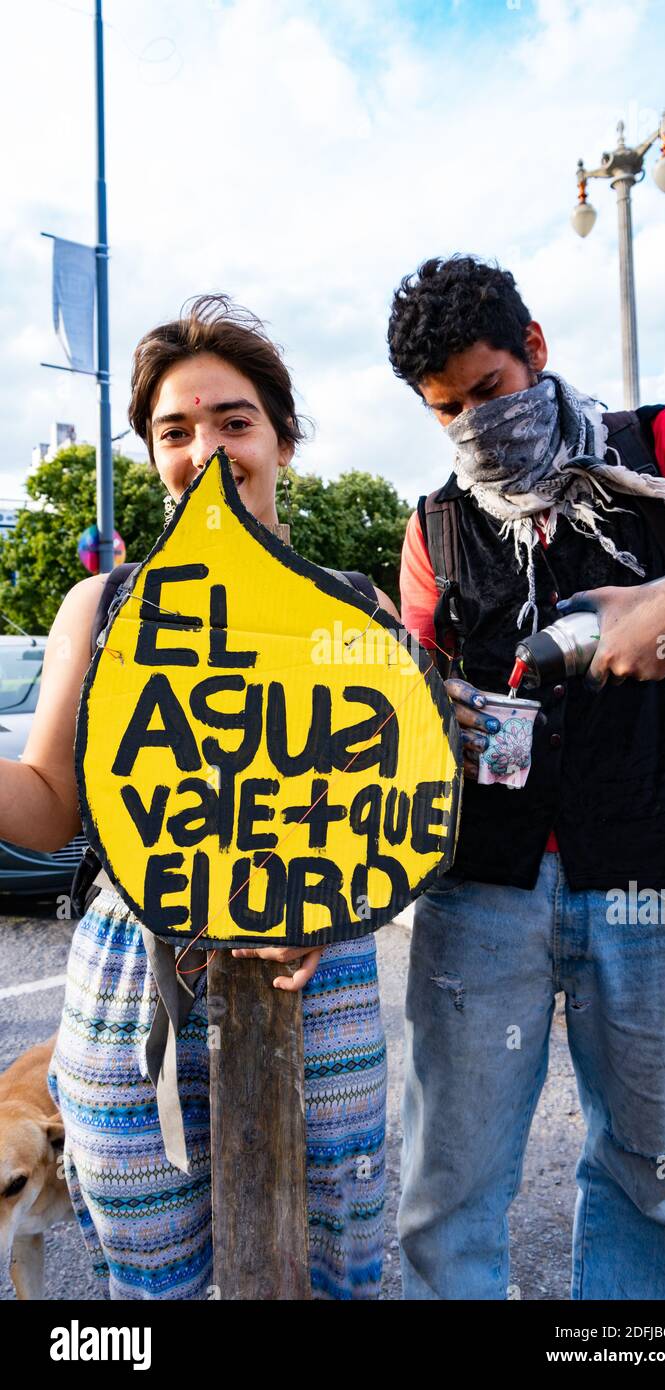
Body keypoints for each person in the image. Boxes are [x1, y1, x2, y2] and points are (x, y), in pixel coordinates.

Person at [2, 295, 399, 1300]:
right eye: (175, 430)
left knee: (334, 1258)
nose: (206, 450)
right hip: (133, 973)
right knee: (152, 1277)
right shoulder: (100, 607)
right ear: (151, 455)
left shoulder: (354, 606)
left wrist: (331, 900)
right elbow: (50, 805)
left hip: (321, 973)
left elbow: (401, 804)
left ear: (282, 441)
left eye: (235, 422)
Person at [387, 254, 665, 1301]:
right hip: (478, 895)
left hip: (650, 874)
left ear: (533, 349)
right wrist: (424, 707)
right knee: (449, 1183)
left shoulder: (655, 449)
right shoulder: (432, 526)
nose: (471, 425)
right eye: (444, 410)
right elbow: (409, 694)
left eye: (486, 391)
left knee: (637, 1171)